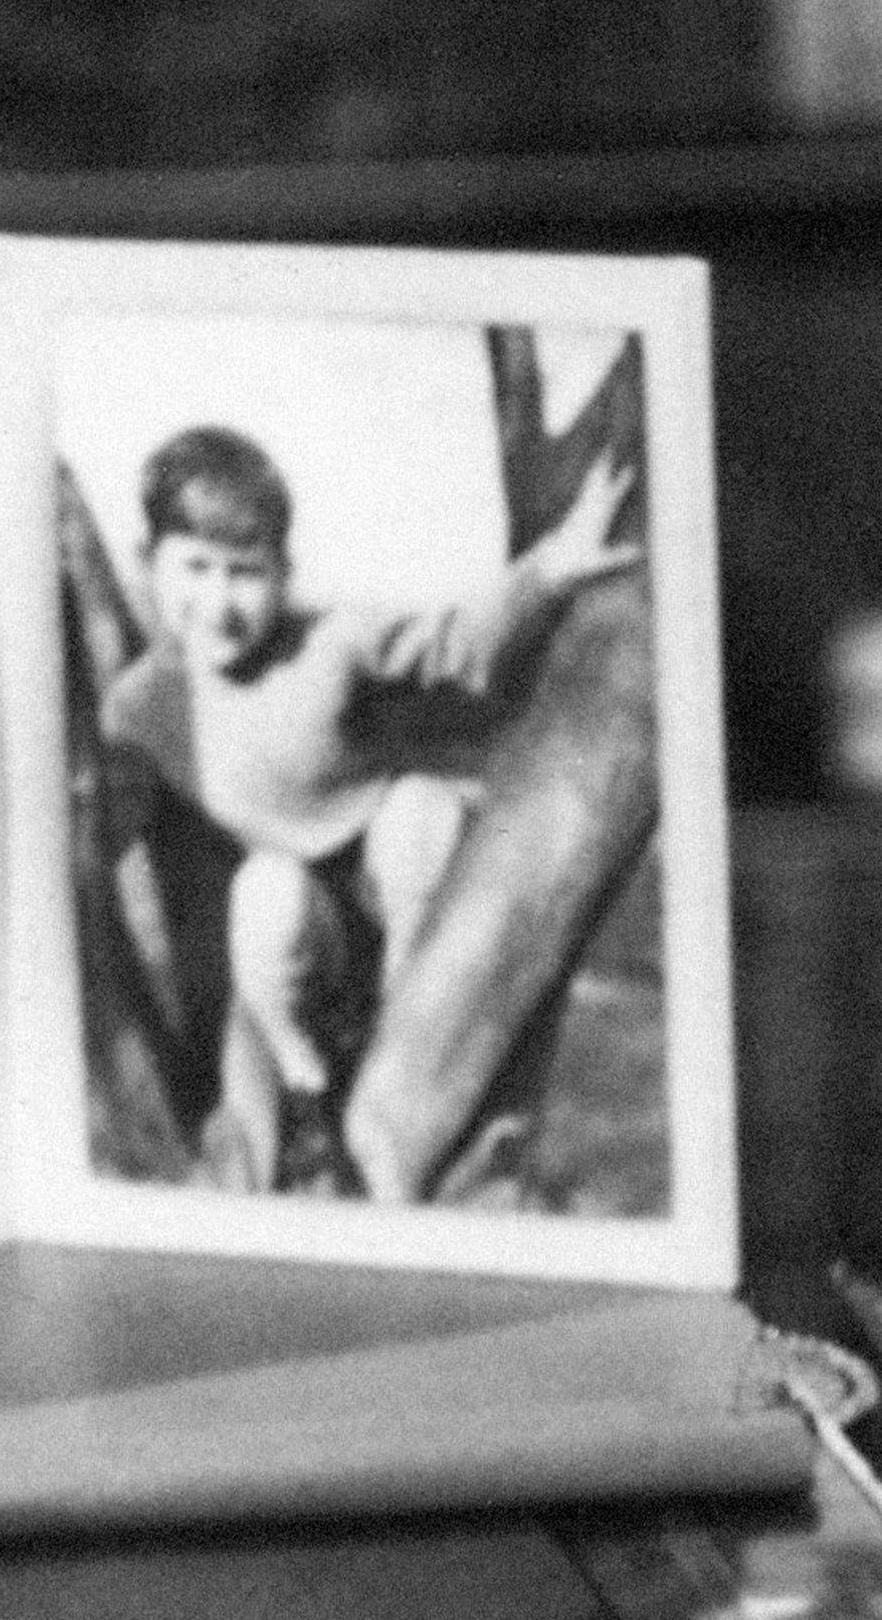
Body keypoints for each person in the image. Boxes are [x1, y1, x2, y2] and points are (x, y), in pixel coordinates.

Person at [105, 420, 636, 1199]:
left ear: (284, 573)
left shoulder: (331, 644)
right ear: (149, 562)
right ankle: (308, 1088)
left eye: (245, 572)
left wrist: (553, 566)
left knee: (418, 808)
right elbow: (107, 809)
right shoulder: (143, 707)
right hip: (300, 914)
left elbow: (454, 643)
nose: (219, 603)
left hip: (390, 888)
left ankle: (405, 1021)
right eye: (197, 568)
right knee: (266, 889)